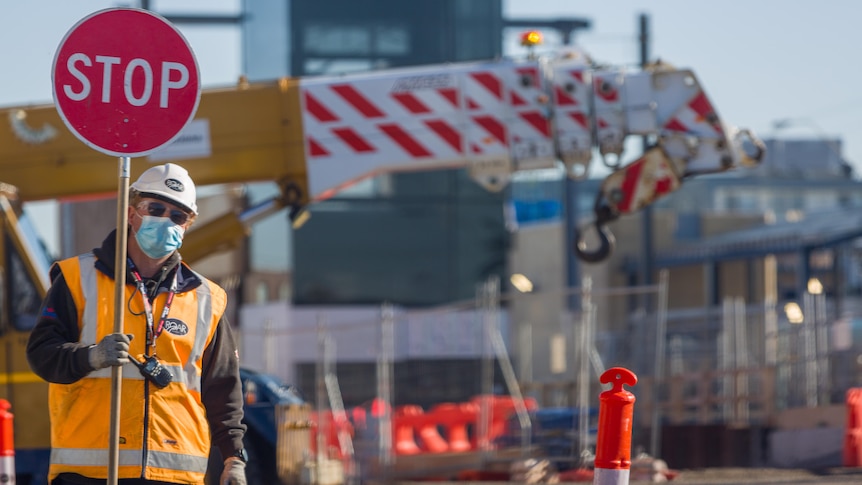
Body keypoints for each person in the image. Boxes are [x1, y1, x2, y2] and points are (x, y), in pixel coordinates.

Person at [26, 163, 248, 485]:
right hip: (90, 473)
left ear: (187, 226)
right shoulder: (78, 278)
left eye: (178, 216)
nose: (167, 220)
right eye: (156, 208)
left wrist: (234, 458)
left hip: (175, 474)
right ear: (132, 214)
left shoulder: (207, 299)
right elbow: (41, 354)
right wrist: (91, 357)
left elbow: (223, 389)